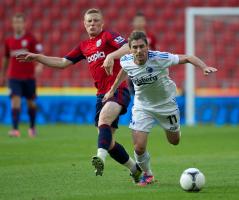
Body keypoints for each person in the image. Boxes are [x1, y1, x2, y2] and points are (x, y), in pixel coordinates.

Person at [17, 8, 142, 183]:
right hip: (101, 96)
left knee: (104, 120)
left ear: (102, 23)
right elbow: (62, 63)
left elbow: (128, 47)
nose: (93, 23)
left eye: (96, 20)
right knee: (109, 141)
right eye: (89, 21)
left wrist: (111, 56)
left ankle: (100, 158)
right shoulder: (84, 47)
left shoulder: (108, 36)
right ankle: (135, 169)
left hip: (118, 89)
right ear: (84, 24)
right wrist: (38, 57)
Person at [103, 31, 217, 186]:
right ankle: (147, 174)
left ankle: (174, 128)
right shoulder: (126, 60)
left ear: (147, 46)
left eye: (142, 46)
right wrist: (112, 90)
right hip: (142, 106)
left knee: (174, 141)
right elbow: (124, 72)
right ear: (130, 49)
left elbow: (188, 57)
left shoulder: (159, 58)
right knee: (139, 146)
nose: (138, 50)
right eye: (135, 47)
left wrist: (203, 67)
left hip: (166, 105)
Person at [0, 13, 43, 138]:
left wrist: (40, 65)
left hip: (29, 77)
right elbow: (6, 58)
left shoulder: (31, 39)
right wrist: (3, 74)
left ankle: (32, 127)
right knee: (15, 101)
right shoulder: (9, 41)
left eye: (20, 22)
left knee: (31, 103)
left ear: (24, 24)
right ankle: (15, 129)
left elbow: (40, 53)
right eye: (15, 22)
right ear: (13, 25)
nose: (18, 25)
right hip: (14, 77)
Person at [127, 12, 158, 95]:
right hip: (135, 68)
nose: (139, 23)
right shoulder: (130, 37)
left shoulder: (150, 36)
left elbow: (154, 51)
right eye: (137, 21)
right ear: (134, 22)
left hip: (148, 67)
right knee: (134, 92)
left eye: (141, 21)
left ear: (145, 22)